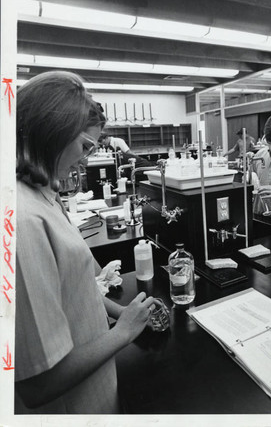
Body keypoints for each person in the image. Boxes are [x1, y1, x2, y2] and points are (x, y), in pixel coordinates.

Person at [15, 71, 155, 414]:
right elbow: (38, 384)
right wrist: (122, 332)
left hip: (96, 388)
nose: (86, 160)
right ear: (53, 134)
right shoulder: (22, 219)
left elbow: (78, 283)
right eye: (85, 147)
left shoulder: (44, 192)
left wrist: (120, 312)